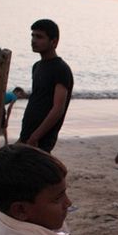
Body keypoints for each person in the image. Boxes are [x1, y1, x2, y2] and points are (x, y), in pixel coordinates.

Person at [19, 19, 74, 153]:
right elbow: (38, 98)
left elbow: (58, 109)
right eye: (32, 35)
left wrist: (35, 136)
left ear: (54, 42)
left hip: (41, 139)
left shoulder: (61, 69)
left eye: (39, 37)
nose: (33, 40)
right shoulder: (37, 66)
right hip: (27, 133)